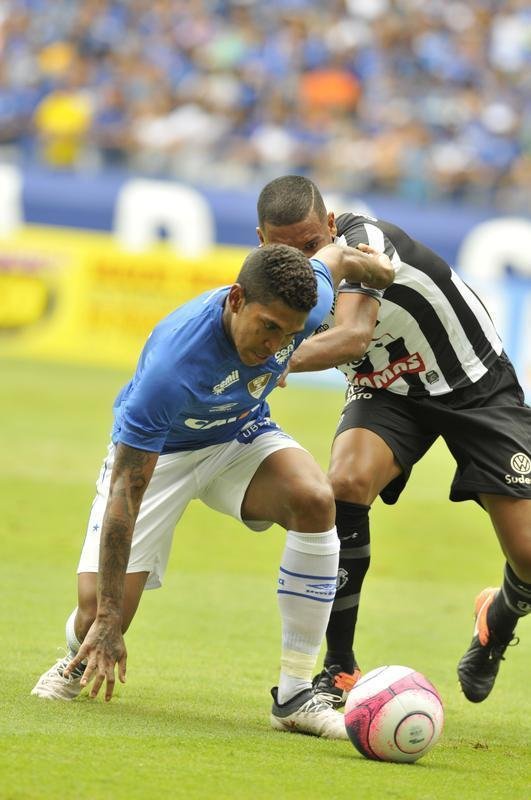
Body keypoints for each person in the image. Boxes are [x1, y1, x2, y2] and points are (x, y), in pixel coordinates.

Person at [31, 241, 394, 739]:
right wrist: (111, 616)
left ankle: (294, 697)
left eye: (287, 334)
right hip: (163, 457)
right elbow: (125, 493)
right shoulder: (172, 369)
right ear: (236, 299)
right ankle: (74, 659)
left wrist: (374, 268)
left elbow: (334, 257)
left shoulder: (302, 305)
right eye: (268, 328)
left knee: (315, 498)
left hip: (237, 436)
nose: (275, 347)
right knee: (100, 611)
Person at [256, 175, 531, 706]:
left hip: (472, 381)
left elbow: (354, 335)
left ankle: (497, 614)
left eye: (312, 246)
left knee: (527, 554)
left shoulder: (365, 242)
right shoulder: (264, 277)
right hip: (386, 385)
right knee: (345, 483)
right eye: (284, 250)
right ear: (263, 240)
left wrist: (272, 360)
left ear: (331, 227)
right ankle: (339, 668)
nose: (302, 262)